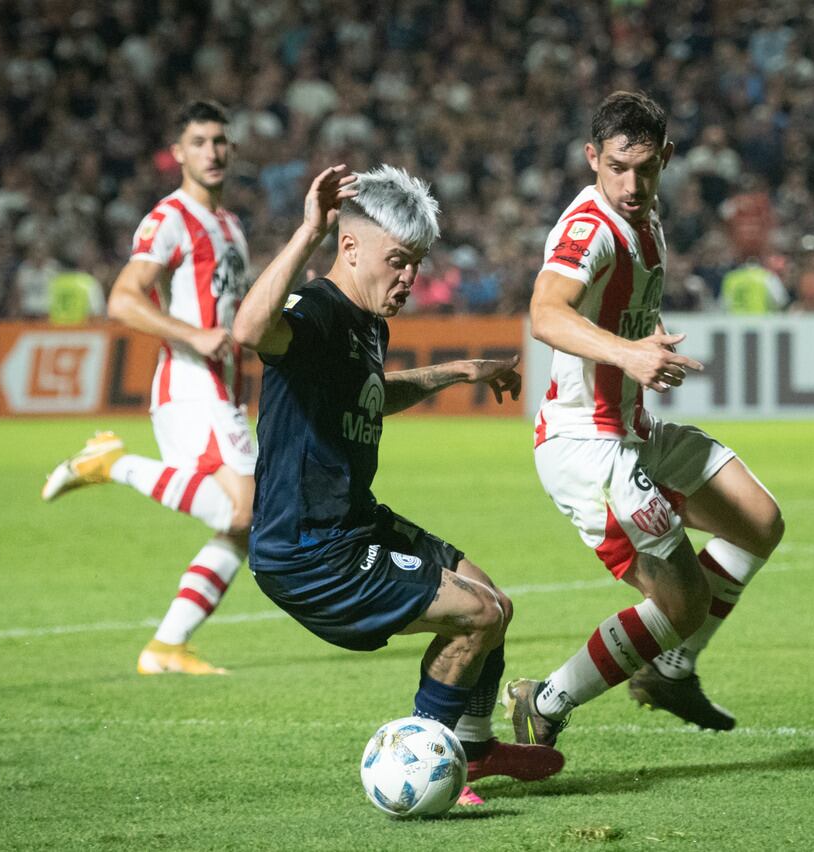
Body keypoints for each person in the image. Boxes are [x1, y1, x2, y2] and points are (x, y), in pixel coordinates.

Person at [232, 162, 562, 805]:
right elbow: (247, 332)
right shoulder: (318, 311)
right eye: (399, 260)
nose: (411, 277)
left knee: (495, 602)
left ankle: (471, 745)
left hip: (354, 522)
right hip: (309, 549)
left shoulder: (368, 325)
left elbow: (373, 396)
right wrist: (308, 230)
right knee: (477, 615)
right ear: (349, 248)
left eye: (417, 263)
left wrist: (461, 369)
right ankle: (422, 762)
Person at [507, 92, 785, 745]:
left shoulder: (647, 217)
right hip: (589, 447)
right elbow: (546, 314)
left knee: (759, 521)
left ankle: (670, 670)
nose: (630, 185)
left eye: (645, 169)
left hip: (635, 430)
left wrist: (646, 339)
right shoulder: (590, 229)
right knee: (679, 603)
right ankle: (544, 702)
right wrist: (629, 353)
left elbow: (618, 307)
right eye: (616, 168)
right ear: (591, 159)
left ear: (666, 159)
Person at [41, 101, 256, 676]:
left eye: (220, 141)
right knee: (250, 511)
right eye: (200, 141)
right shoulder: (170, 218)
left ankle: (166, 645)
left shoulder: (232, 227)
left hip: (224, 388)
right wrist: (194, 335)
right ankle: (111, 464)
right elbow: (123, 298)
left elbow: (233, 315)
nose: (212, 151)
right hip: (191, 385)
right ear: (179, 153)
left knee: (240, 527)